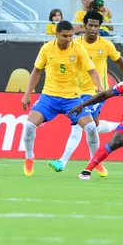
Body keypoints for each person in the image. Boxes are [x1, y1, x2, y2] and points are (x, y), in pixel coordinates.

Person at [48, 11, 123, 173]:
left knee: (78, 127)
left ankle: (62, 162)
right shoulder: (75, 44)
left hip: (97, 92)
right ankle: (122, 127)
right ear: (84, 26)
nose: (93, 28)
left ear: (100, 27)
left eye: (96, 26)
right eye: (90, 25)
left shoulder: (106, 45)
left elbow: (120, 61)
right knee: (94, 127)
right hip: (77, 92)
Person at [20, 20, 104, 177]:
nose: (68, 39)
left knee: (92, 128)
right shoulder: (46, 49)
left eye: (71, 36)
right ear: (56, 34)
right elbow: (36, 71)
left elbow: (92, 71)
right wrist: (27, 94)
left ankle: (95, 161)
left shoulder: (78, 49)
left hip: (72, 98)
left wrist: (99, 87)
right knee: (30, 126)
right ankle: (29, 157)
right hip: (49, 97)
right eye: (64, 36)